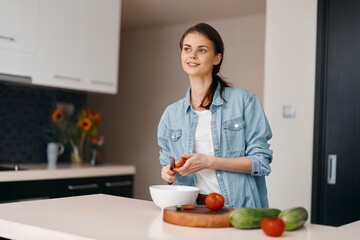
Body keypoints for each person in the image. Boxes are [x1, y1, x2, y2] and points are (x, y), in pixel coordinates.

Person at [157, 23, 273, 208]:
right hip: (194, 208)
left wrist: (210, 162)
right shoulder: (171, 115)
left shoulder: (244, 101)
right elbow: (168, 166)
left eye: (202, 50)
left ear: (216, 58)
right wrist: (168, 174)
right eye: (187, 49)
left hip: (240, 208)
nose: (192, 55)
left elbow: (261, 162)